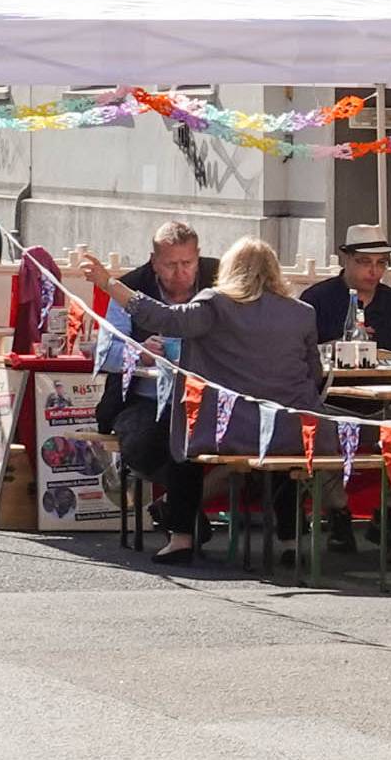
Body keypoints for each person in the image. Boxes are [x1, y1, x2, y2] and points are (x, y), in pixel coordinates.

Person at [78, 237, 323, 565]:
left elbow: (162, 318)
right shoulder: (303, 313)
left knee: (185, 428)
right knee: (285, 445)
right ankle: (293, 541)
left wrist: (109, 284)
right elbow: (315, 371)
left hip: (229, 427)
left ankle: (181, 537)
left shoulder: (215, 305)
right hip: (291, 428)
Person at [91, 222, 216, 565]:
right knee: (150, 442)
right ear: (153, 261)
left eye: (188, 263)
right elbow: (105, 354)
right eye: (171, 265)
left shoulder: (219, 281)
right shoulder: (130, 288)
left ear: (198, 257)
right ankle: (184, 520)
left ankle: (177, 515)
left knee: (243, 443)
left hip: (210, 399)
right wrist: (139, 352)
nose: (181, 273)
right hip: (141, 398)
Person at [301, 224, 391, 354]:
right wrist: (340, 346)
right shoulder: (316, 300)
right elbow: (299, 352)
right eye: (365, 261)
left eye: (381, 263)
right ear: (346, 258)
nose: (373, 271)